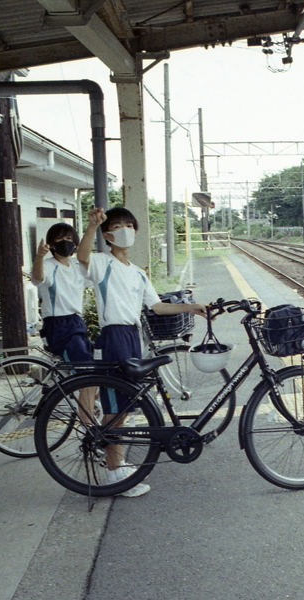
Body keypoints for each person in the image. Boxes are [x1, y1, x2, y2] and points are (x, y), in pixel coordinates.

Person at [78, 206, 207, 497]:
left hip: (133, 337)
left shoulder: (137, 273)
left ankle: (118, 465)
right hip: (113, 336)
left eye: (130, 225)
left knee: (124, 407)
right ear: (108, 235)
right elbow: (82, 257)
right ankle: (114, 474)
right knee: (115, 408)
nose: (126, 230)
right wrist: (90, 226)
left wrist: (191, 307)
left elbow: (157, 306)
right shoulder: (102, 262)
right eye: (119, 226)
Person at [31, 223, 93, 364]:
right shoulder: (48, 265)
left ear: (75, 244)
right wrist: (39, 257)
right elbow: (38, 278)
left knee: (89, 367)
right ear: (51, 245)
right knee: (82, 366)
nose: (65, 242)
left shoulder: (78, 266)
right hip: (57, 323)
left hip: (77, 321)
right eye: (59, 239)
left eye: (69, 238)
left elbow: (96, 279)